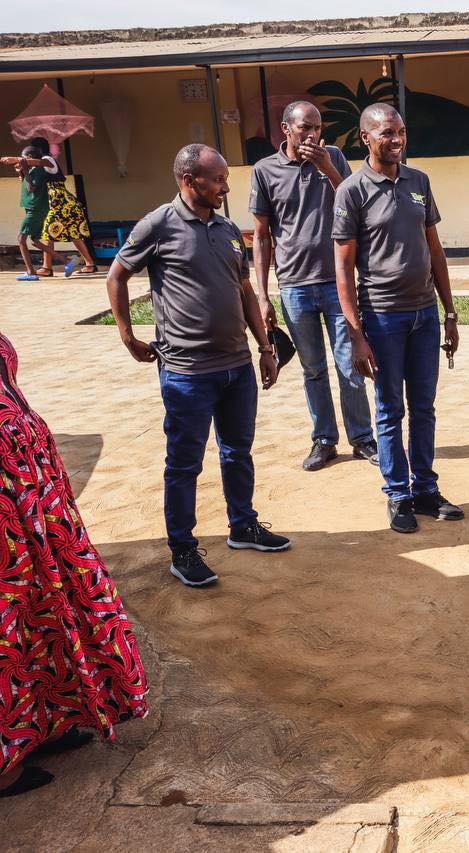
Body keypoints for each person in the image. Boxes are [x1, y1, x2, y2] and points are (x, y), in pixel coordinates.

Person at [106, 144, 290, 588]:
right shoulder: (158, 225)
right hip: (186, 372)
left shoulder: (227, 229)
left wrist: (265, 347)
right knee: (184, 464)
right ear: (190, 180)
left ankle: (243, 526)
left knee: (238, 451)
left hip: (237, 367)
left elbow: (245, 290)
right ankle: (183, 549)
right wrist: (127, 336)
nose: (226, 188)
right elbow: (117, 276)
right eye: (218, 179)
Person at [0, 331, 149, 797]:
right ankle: (5, 760)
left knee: (45, 607)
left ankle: (47, 718)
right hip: (8, 501)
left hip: (31, 488)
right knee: (11, 620)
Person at [333, 104, 463, 534]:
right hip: (382, 318)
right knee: (390, 410)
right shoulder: (351, 191)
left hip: (424, 315)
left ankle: (425, 489)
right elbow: (343, 269)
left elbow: (435, 250)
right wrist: (356, 335)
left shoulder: (418, 182)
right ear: (365, 138)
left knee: (424, 407)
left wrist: (449, 312)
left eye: (401, 132)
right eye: (387, 133)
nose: (397, 140)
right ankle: (398, 494)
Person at [250, 100, 377, 472]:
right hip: (294, 285)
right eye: (305, 127)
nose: (312, 134)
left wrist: (327, 168)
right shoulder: (264, 170)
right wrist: (263, 295)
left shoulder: (333, 157)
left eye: (317, 127)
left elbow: (355, 202)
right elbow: (261, 236)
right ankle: (324, 440)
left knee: (350, 365)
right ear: (286, 129)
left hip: (337, 282)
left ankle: (362, 439)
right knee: (313, 369)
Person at [29, 137, 97, 275]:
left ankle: (47, 268)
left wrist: (21, 160)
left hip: (61, 202)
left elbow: (40, 163)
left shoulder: (47, 159)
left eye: (32, 151)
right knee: (73, 234)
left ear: (38, 149)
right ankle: (90, 264)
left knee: (48, 231)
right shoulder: (39, 165)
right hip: (61, 203)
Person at [2, 146, 56, 279]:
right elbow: (26, 184)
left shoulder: (39, 170)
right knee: (35, 240)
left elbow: (31, 188)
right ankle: (66, 261)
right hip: (34, 208)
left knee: (21, 239)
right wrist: (21, 172)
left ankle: (31, 272)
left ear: (30, 157)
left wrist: (25, 169)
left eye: (24, 157)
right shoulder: (34, 170)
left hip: (35, 208)